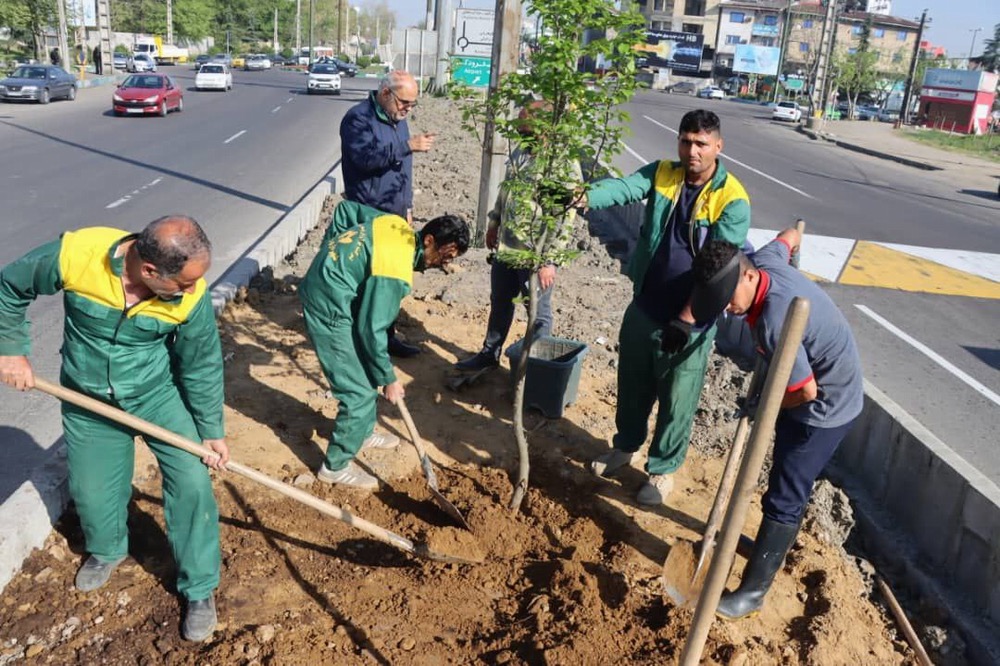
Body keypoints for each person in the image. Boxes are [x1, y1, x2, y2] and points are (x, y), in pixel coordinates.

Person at [0, 216, 228, 642]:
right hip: (88, 399)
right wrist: (10, 351)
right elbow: (9, 287)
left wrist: (211, 429)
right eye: (183, 283)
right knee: (91, 490)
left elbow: (200, 363)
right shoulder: (77, 255)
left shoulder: (189, 298)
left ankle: (199, 588)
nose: (193, 290)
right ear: (148, 270)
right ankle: (107, 550)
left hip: (155, 396)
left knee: (194, 481)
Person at [688, 229, 863, 619]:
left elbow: (804, 393)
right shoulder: (766, 260)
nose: (727, 310)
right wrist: (795, 248)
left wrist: (763, 406)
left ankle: (752, 592)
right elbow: (791, 235)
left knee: (785, 492)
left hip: (826, 407)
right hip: (812, 379)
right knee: (779, 471)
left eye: (728, 299)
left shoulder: (774, 320)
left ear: (748, 277)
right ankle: (766, 547)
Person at [580, 109, 751, 506]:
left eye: (701, 144)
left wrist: (687, 320)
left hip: (688, 323)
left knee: (677, 400)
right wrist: (582, 196)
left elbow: (720, 272)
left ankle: (661, 472)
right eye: (686, 141)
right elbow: (622, 188)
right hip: (645, 306)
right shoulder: (662, 173)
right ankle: (625, 448)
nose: (692, 151)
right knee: (633, 385)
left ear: (718, 147)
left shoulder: (732, 200)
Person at [298, 201, 470, 489]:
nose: (445, 263)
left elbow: (345, 211)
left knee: (366, 374)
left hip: (335, 291)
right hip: (327, 305)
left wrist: (330, 253)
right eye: (445, 254)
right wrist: (388, 379)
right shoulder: (394, 269)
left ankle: (361, 433)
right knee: (358, 393)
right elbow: (371, 330)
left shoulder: (397, 226)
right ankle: (335, 466)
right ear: (429, 240)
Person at [455, 101, 582, 371]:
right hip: (507, 249)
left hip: (534, 256)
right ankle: (490, 355)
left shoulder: (560, 164)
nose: (521, 134)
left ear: (545, 128)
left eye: (526, 129)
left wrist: (549, 260)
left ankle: (535, 370)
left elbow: (564, 217)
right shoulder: (522, 152)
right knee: (500, 303)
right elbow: (506, 190)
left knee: (538, 315)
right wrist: (494, 222)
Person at [339, 70, 437, 358]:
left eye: (412, 105)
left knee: (390, 278)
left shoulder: (398, 121)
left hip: (394, 216)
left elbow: (403, 170)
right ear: (385, 94)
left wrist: (406, 208)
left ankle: (386, 335)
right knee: (368, 279)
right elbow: (364, 159)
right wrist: (407, 146)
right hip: (368, 214)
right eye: (404, 103)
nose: (407, 109)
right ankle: (360, 340)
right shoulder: (358, 119)